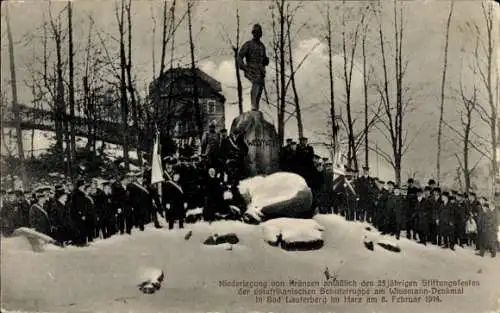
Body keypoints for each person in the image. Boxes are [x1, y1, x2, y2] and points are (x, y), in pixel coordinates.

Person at [237, 23, 269, 111]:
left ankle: (256, 106)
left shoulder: (262, 46)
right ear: (253, 33)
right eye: (255, 32)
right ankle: (253, 105)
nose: (256, 34)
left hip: (260, 71)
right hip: (250, 69)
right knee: (257, 82)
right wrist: (244, 67)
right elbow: (239, 56)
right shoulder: (248, 44)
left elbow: (264, 59)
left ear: (260, 34)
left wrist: (265, 60)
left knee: (260, 86)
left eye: (258, 33)